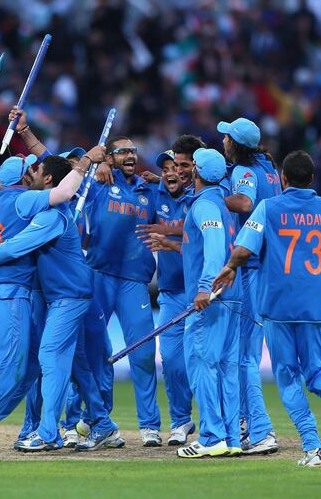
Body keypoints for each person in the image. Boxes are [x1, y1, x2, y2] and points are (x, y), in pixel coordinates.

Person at [0, 128, 110, 452]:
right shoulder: (28, 201)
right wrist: (87, 160)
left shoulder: (9, 197)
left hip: (38, 293)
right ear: (26, 180)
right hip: (19, 291)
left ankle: (7, 426)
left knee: (32, 366)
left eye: (36, 167)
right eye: (31, 167)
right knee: (21, 367)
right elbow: (60, 190)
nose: (35, 168)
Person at [213, 150, 321, 467]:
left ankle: (314, 449)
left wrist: (231, 266)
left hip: (277, 306)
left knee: (289, 380)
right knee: (318, 374)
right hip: (316, 306)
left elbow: (246, 248)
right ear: (312, 179)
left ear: (283, 179)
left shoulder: (268, 207)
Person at [0, 155, 121, 452]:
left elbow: (18, 245)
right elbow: (9, 228)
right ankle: (103, 424)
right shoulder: (45, 211)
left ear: (47, 180)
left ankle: (48, 433)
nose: (31, 174)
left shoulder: (51, 215)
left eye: (36, 170)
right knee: (72, 362)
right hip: (58, 296)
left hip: (67, 296)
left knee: (49, 357)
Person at [83, 136, 163, 446]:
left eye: (134, 151)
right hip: (100, 276)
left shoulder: (150, 191)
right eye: (123, 152)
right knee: (94, 353)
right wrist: (95, 163)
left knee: (143, 354)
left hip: (134, 281)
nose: (131, 155)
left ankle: (150, 426)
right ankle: (93, 421)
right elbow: (62, 171)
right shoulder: (98, 183)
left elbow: (180, 199)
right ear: (112, 157)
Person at [216, 117, 280, 455]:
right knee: (246, 354)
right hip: (267, 265)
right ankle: (245, 422)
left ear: (235, 143)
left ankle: (259, 431)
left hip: (250, 267)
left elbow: (244, 203)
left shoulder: (244, 171)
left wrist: (211, 197)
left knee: (243, 357)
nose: (222, 141)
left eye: (226, 137)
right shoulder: (268, 167)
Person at [175, 148, 242, 458]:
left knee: (202, 364)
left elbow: (214, 248)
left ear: (197, 173)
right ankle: (230, 438)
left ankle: (212, 436)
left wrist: (205, 288)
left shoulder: (204, 206)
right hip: (231, 298)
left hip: (211, 300)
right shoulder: (221, 205)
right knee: (226, 369)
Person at [137, 150, 195, 446]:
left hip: (202, 292)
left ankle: (221, 421)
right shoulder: (153, 196)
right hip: (172, 292)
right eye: (166, 169)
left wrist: (167, 239)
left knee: (202, 360)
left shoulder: (200, 197)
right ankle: (182, 421)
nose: (170, 172)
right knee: (171, 361)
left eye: (176, 167)